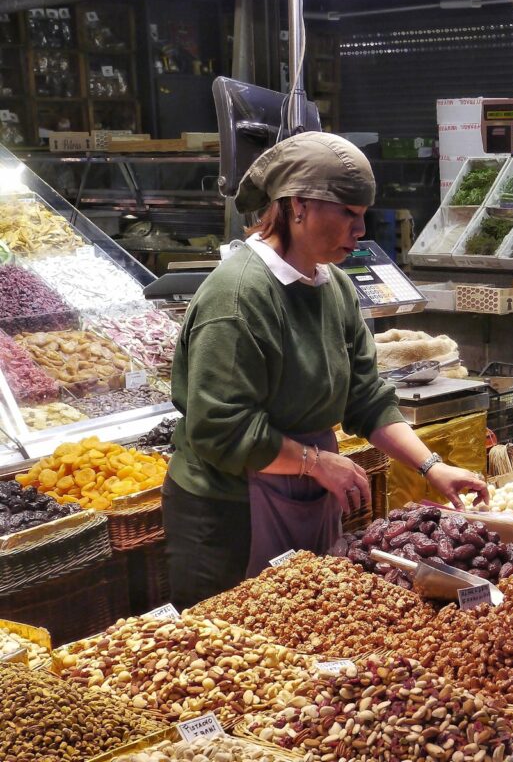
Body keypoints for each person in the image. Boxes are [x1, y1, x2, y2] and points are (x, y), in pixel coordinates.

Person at [163, 131, 488, 609]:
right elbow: (221, 428)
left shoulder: (332, 285)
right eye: (348, 214)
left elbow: (366, 397)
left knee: (307, 630)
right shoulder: (237, 296)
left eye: (362, 215)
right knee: (237, 648)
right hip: (228, 513)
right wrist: (316, 462)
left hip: (304, 494)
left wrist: (432, 467)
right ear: (298, 205)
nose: (360, 231)